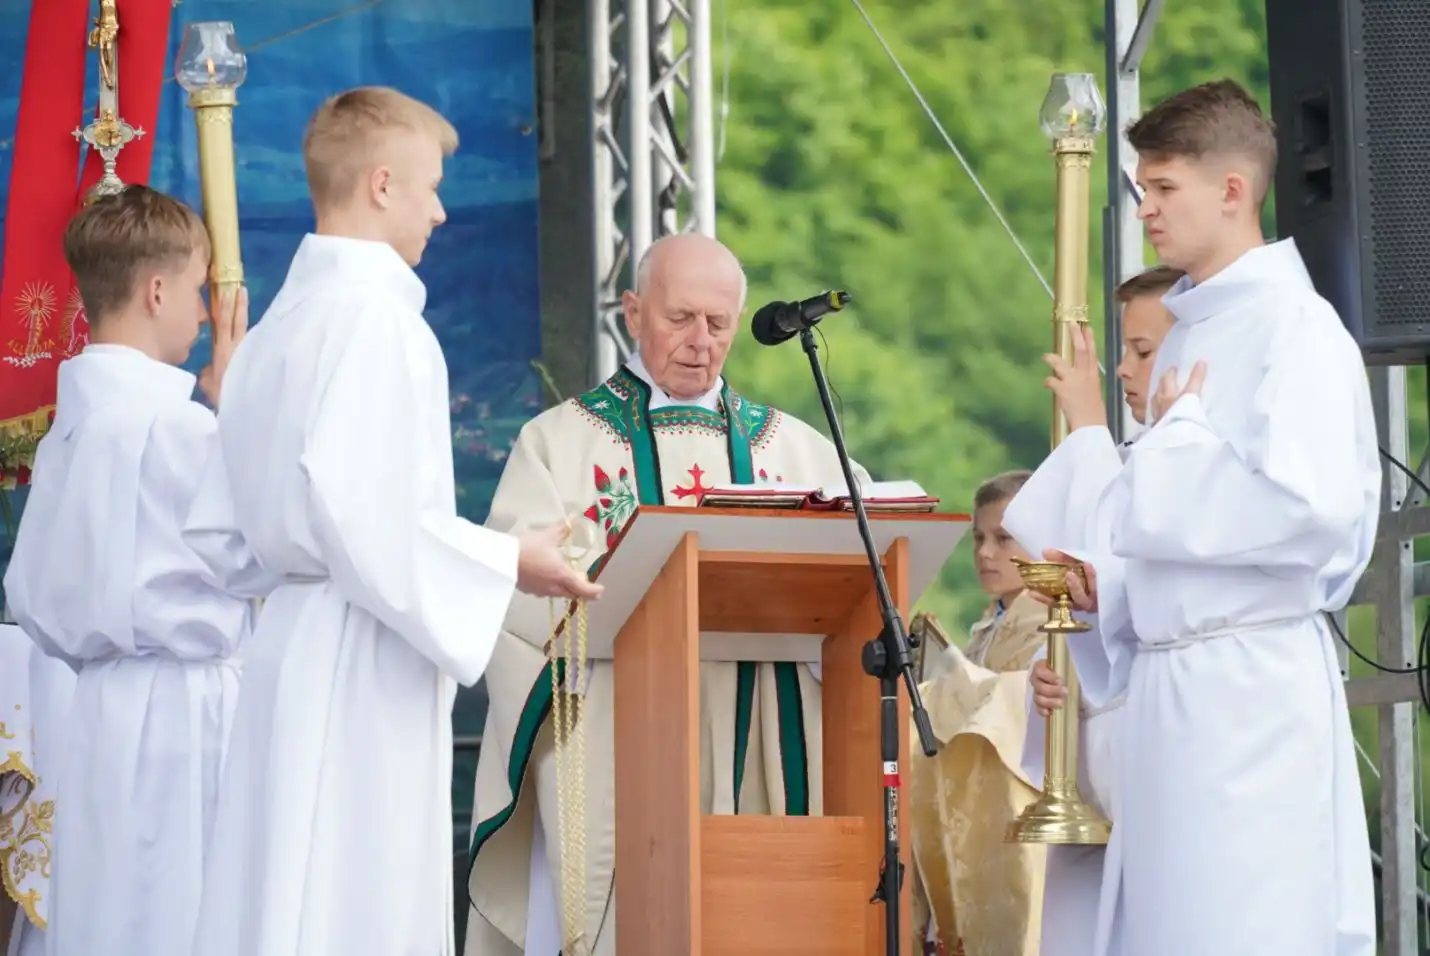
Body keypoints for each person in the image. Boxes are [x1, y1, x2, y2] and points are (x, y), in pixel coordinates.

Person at [185, 87, 601, 956]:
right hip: (355, 656)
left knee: (285, 891)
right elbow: (371, 525)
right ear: (381, 184)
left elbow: (223, 536)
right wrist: (505, 561)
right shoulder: (377, 324)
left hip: (289, 645)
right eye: (432, 186)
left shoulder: (269, 337)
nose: (442, 210)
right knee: (348, 893)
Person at [1024, 79, 1379, 956]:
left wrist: (1173, 455)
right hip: (1172, 689)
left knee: (1237, 929)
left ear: (1231, 191)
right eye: (1142, 188)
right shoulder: (1188, 333)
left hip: (1245, 695)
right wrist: (1115, 594)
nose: (1144, 209)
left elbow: (1315, 513)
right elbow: (1169, 528)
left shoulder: (1299, 329)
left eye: (1164, 187)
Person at [464, 232, 872, 956]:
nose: (700, 342)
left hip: (758, 719)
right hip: (616, 725)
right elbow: (512, 599)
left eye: (718, 324)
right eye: (680, 318)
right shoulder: (558, 444)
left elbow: (870, 572)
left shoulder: (795, 450)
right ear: (632, 312)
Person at [2, 185, 250, 956]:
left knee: (109, 914)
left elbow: (33, 596)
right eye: (198, 289)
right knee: (182, 913)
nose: (205, 314)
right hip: (186, 712)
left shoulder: (64, 438)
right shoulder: (174, 428)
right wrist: (238, 414)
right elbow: (257, 553)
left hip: (97, 710)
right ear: (155, 290)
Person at [1000, 264, 1181, 956]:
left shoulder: (1195, 465)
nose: (1125, 371)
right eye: (1125, 351)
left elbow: (1126, 579)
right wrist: (1065, 690)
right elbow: (1099, 620)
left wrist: (1085, 429)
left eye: (1142, 350)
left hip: (1177, 733)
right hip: (1116, 747)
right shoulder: (1143, 458)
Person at [907, 469, 1048, 956]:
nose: (986, 553)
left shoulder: (1053, 620)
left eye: (1003, 538)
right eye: (978, 539)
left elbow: (1021, 706)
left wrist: (949, 689)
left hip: (1026, 810)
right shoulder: (989, 623)